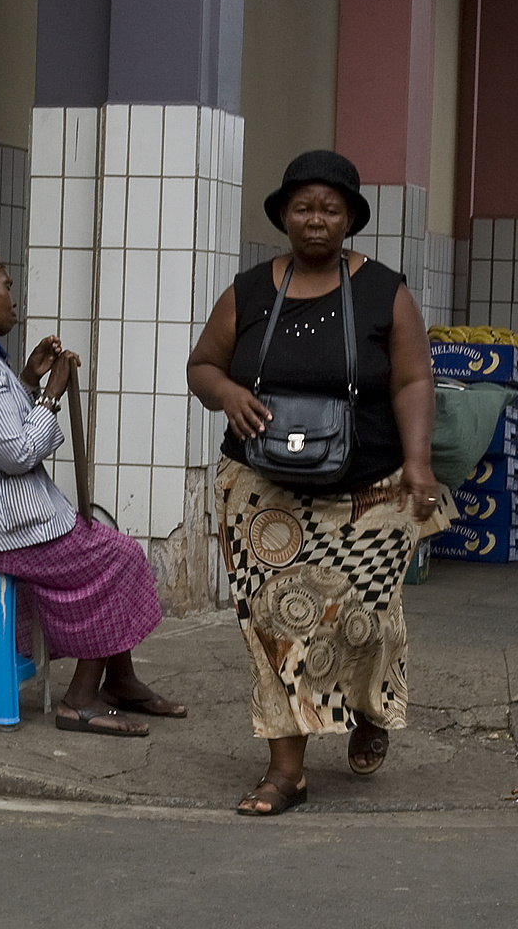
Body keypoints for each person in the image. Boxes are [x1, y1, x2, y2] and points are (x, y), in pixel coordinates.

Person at [186, 150, 448, 816]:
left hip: (369, 486)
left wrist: (417, 464)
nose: (314, 220)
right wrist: (227, 395)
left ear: (348, 219)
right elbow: (201, 365)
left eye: (328, 209)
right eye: (302, 207)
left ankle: (366, 707)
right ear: (283, 215)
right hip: (262, 484)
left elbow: (413, 379)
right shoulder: (248, 290)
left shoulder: (382, 289)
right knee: (272, 621)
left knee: (361, 620)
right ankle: (285, 771)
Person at [0, 246, 183, 737]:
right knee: (120, 557)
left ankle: (120, 679)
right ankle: (81, 700)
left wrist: (25, 379)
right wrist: (50, 395)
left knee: (107, 541)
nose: (12, 296)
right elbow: (17, 452)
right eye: (5, 284)